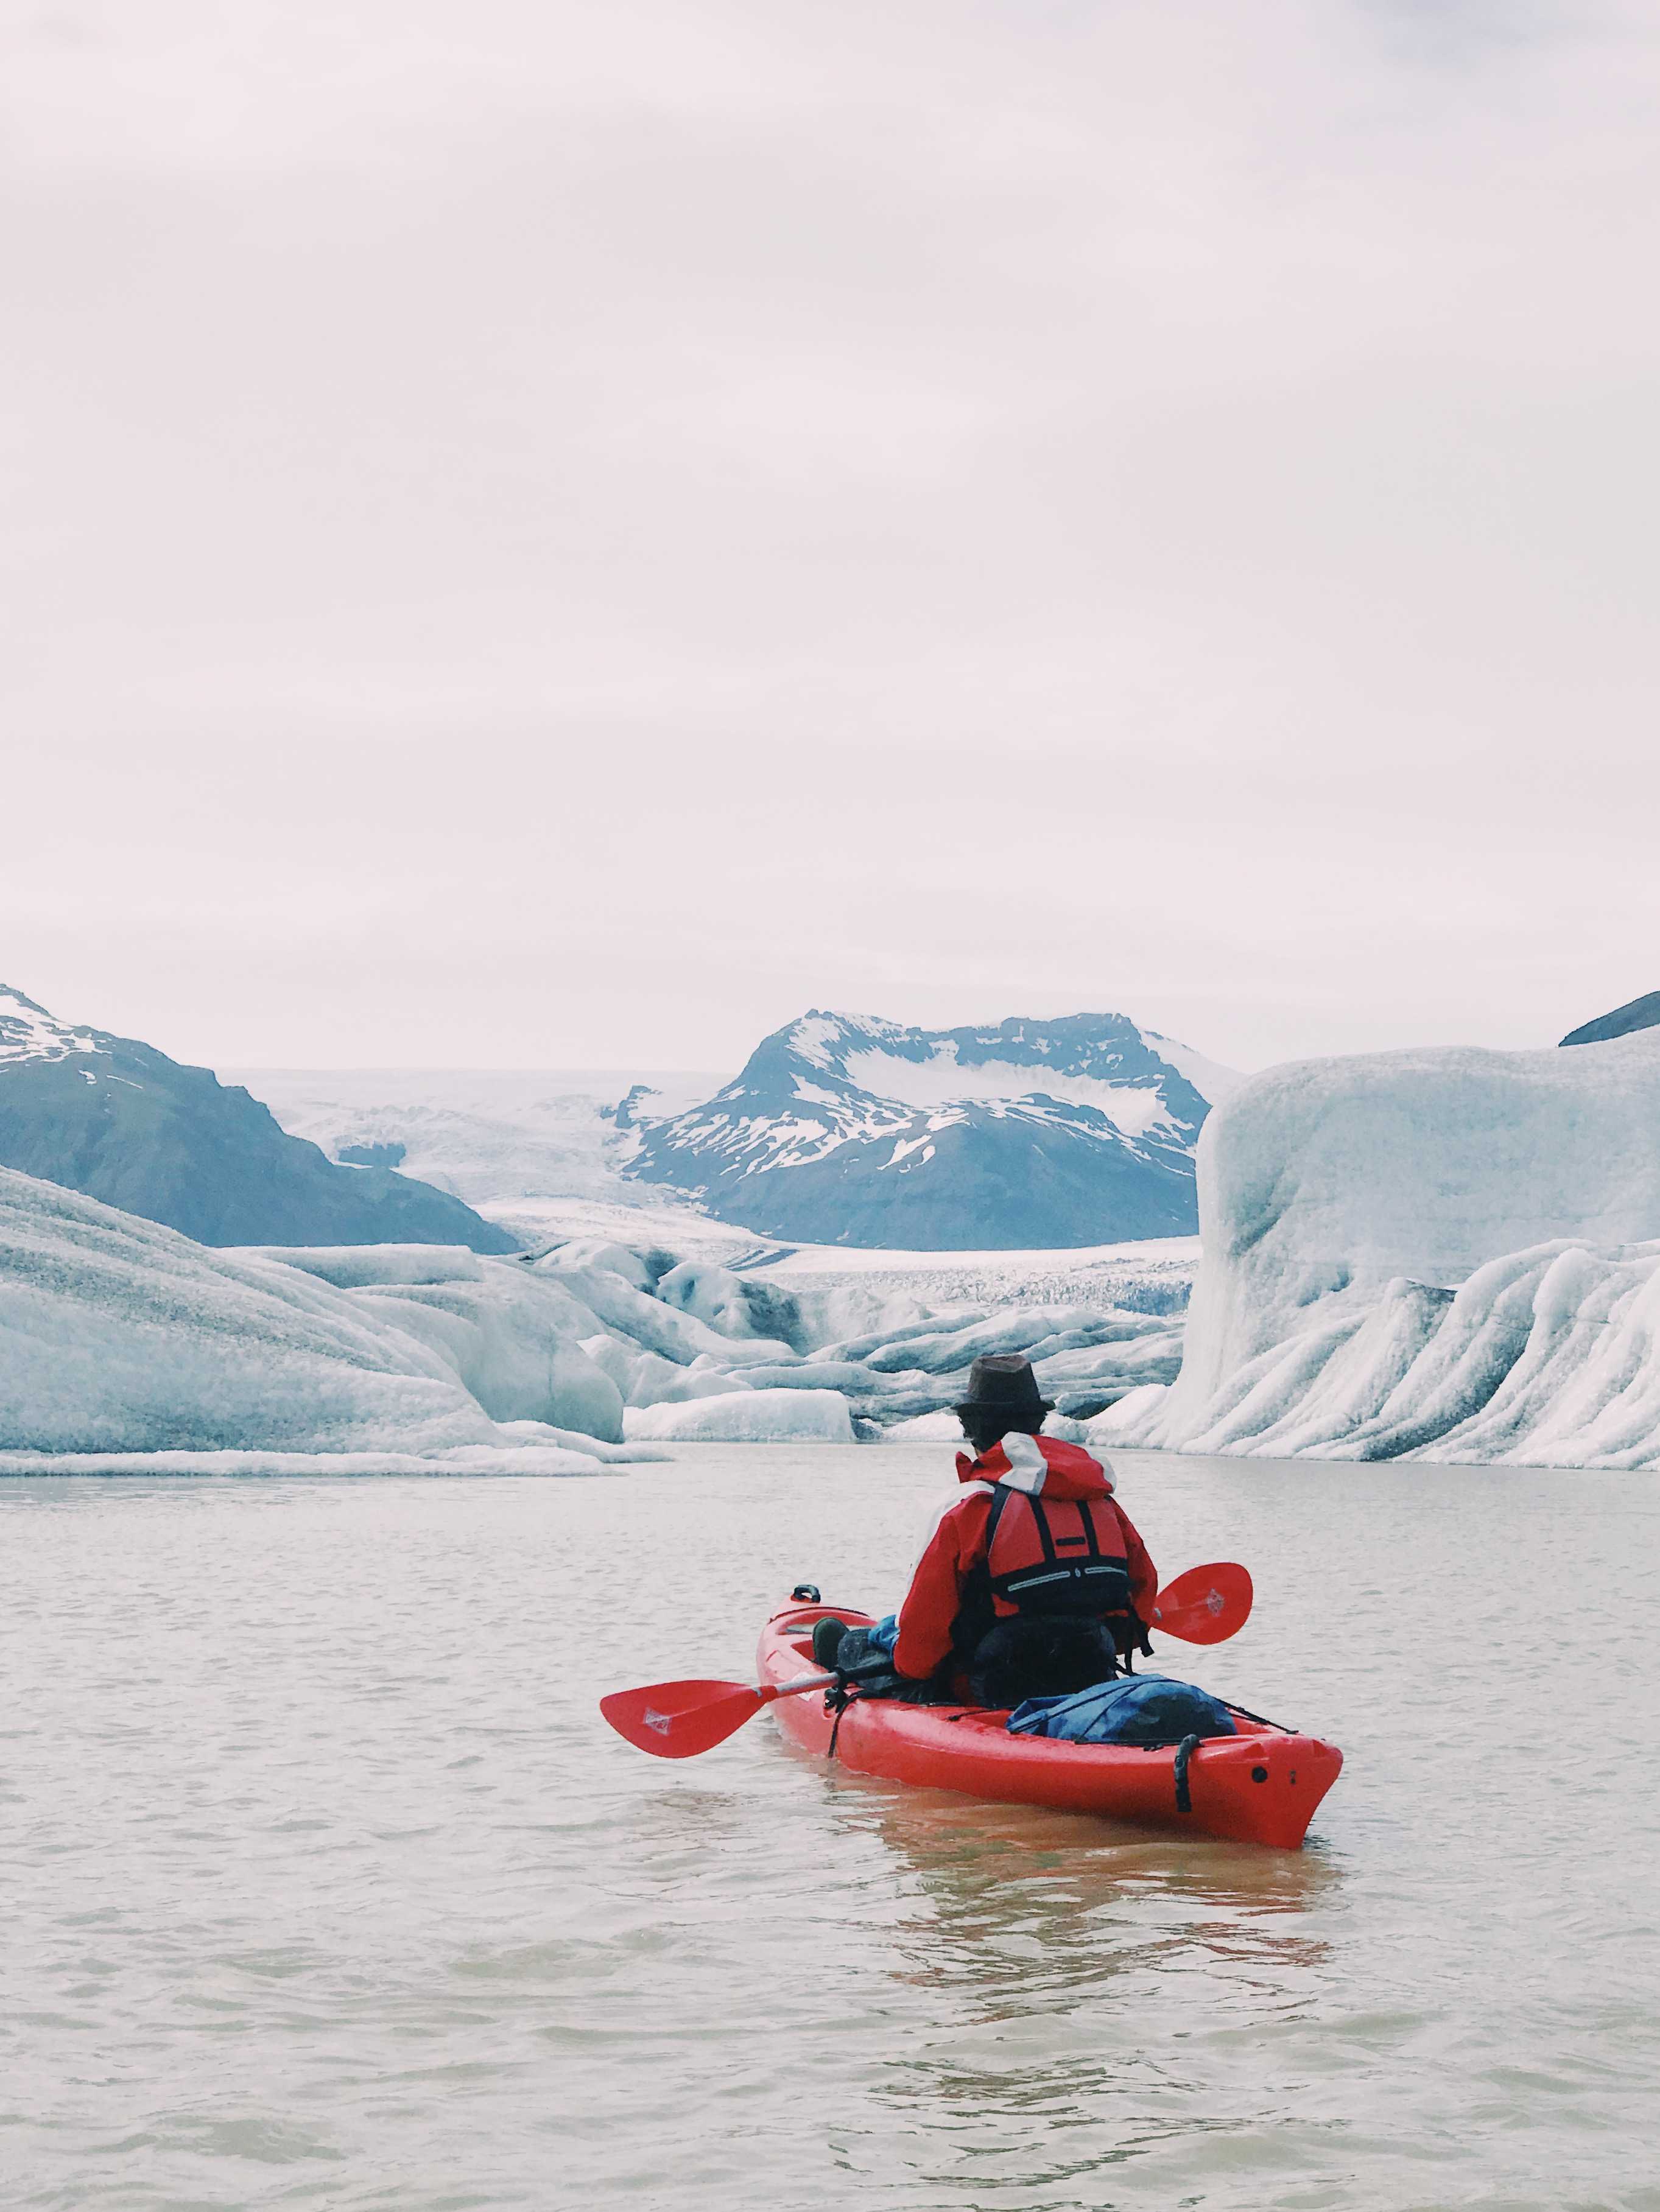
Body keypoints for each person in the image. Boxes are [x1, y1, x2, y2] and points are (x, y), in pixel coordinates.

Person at [818, 1353, 1157, 1708]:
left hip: (985, 1690)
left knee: (869, 1643)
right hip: (1090, 1677)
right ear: (1037, 1424)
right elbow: (1138, 1611)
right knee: (893, 1630)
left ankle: (842, 1647)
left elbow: (918, 1657)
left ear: (970, 1428)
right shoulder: (1103, 1504)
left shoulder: (970, 1507)